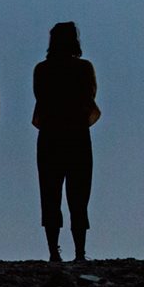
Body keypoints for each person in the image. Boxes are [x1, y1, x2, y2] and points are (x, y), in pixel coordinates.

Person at [32, 22, 99, 262]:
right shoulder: (84, 68)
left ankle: (53, 251)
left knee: (50, 193)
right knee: (79, 195)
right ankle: (80, 251)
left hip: (50, 136)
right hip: (78, 136)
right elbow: (91, 96)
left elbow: (39, 97)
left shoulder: (42, 69)